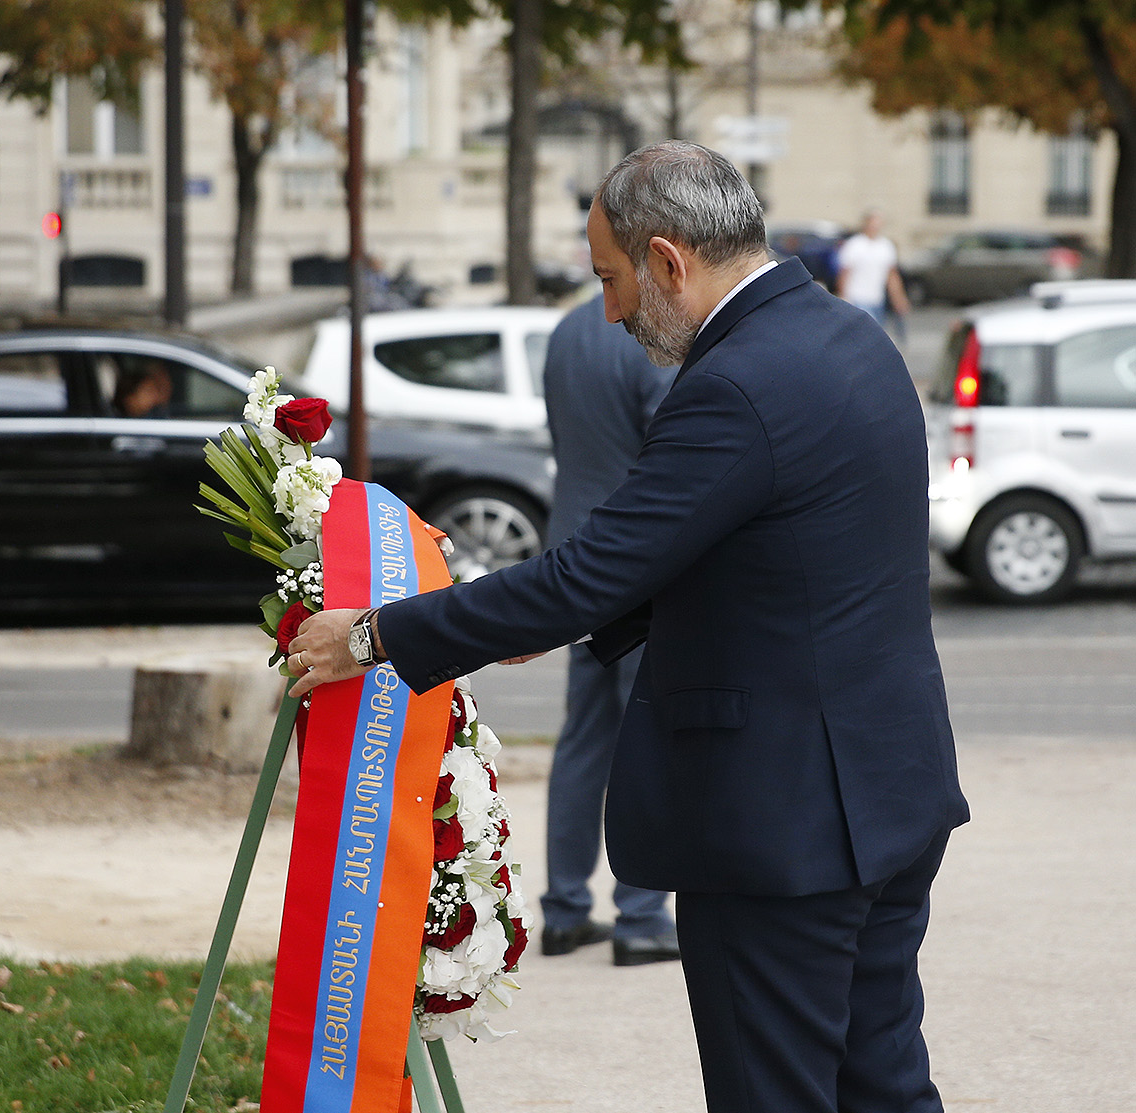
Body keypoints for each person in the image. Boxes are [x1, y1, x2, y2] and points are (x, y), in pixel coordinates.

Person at [286, 141, 968, 1113]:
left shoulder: (730, 385)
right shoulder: (849, 337)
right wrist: (565, 614)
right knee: (883, 1086)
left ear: (665, 261)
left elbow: (590, 569)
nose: (607, 308)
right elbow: (787, 553)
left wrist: (375, 635)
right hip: (888, 790)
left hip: (780, 821)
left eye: (608, 278)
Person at [538, 294, 680, 967]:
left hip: (573, 553)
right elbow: (672, 450)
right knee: (649, 737)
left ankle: (564, 910)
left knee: (583, 737)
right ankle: (642, 913)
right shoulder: (651, 335)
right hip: (636, 560)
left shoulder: (566, 332)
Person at [838, 208, 911, 330]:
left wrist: (898, 297)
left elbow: (891, 275)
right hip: (857, 296)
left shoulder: (886, 246)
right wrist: (843, 295)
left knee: (876, 331)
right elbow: (845, 273)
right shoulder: (854, 245)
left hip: (877, 298)